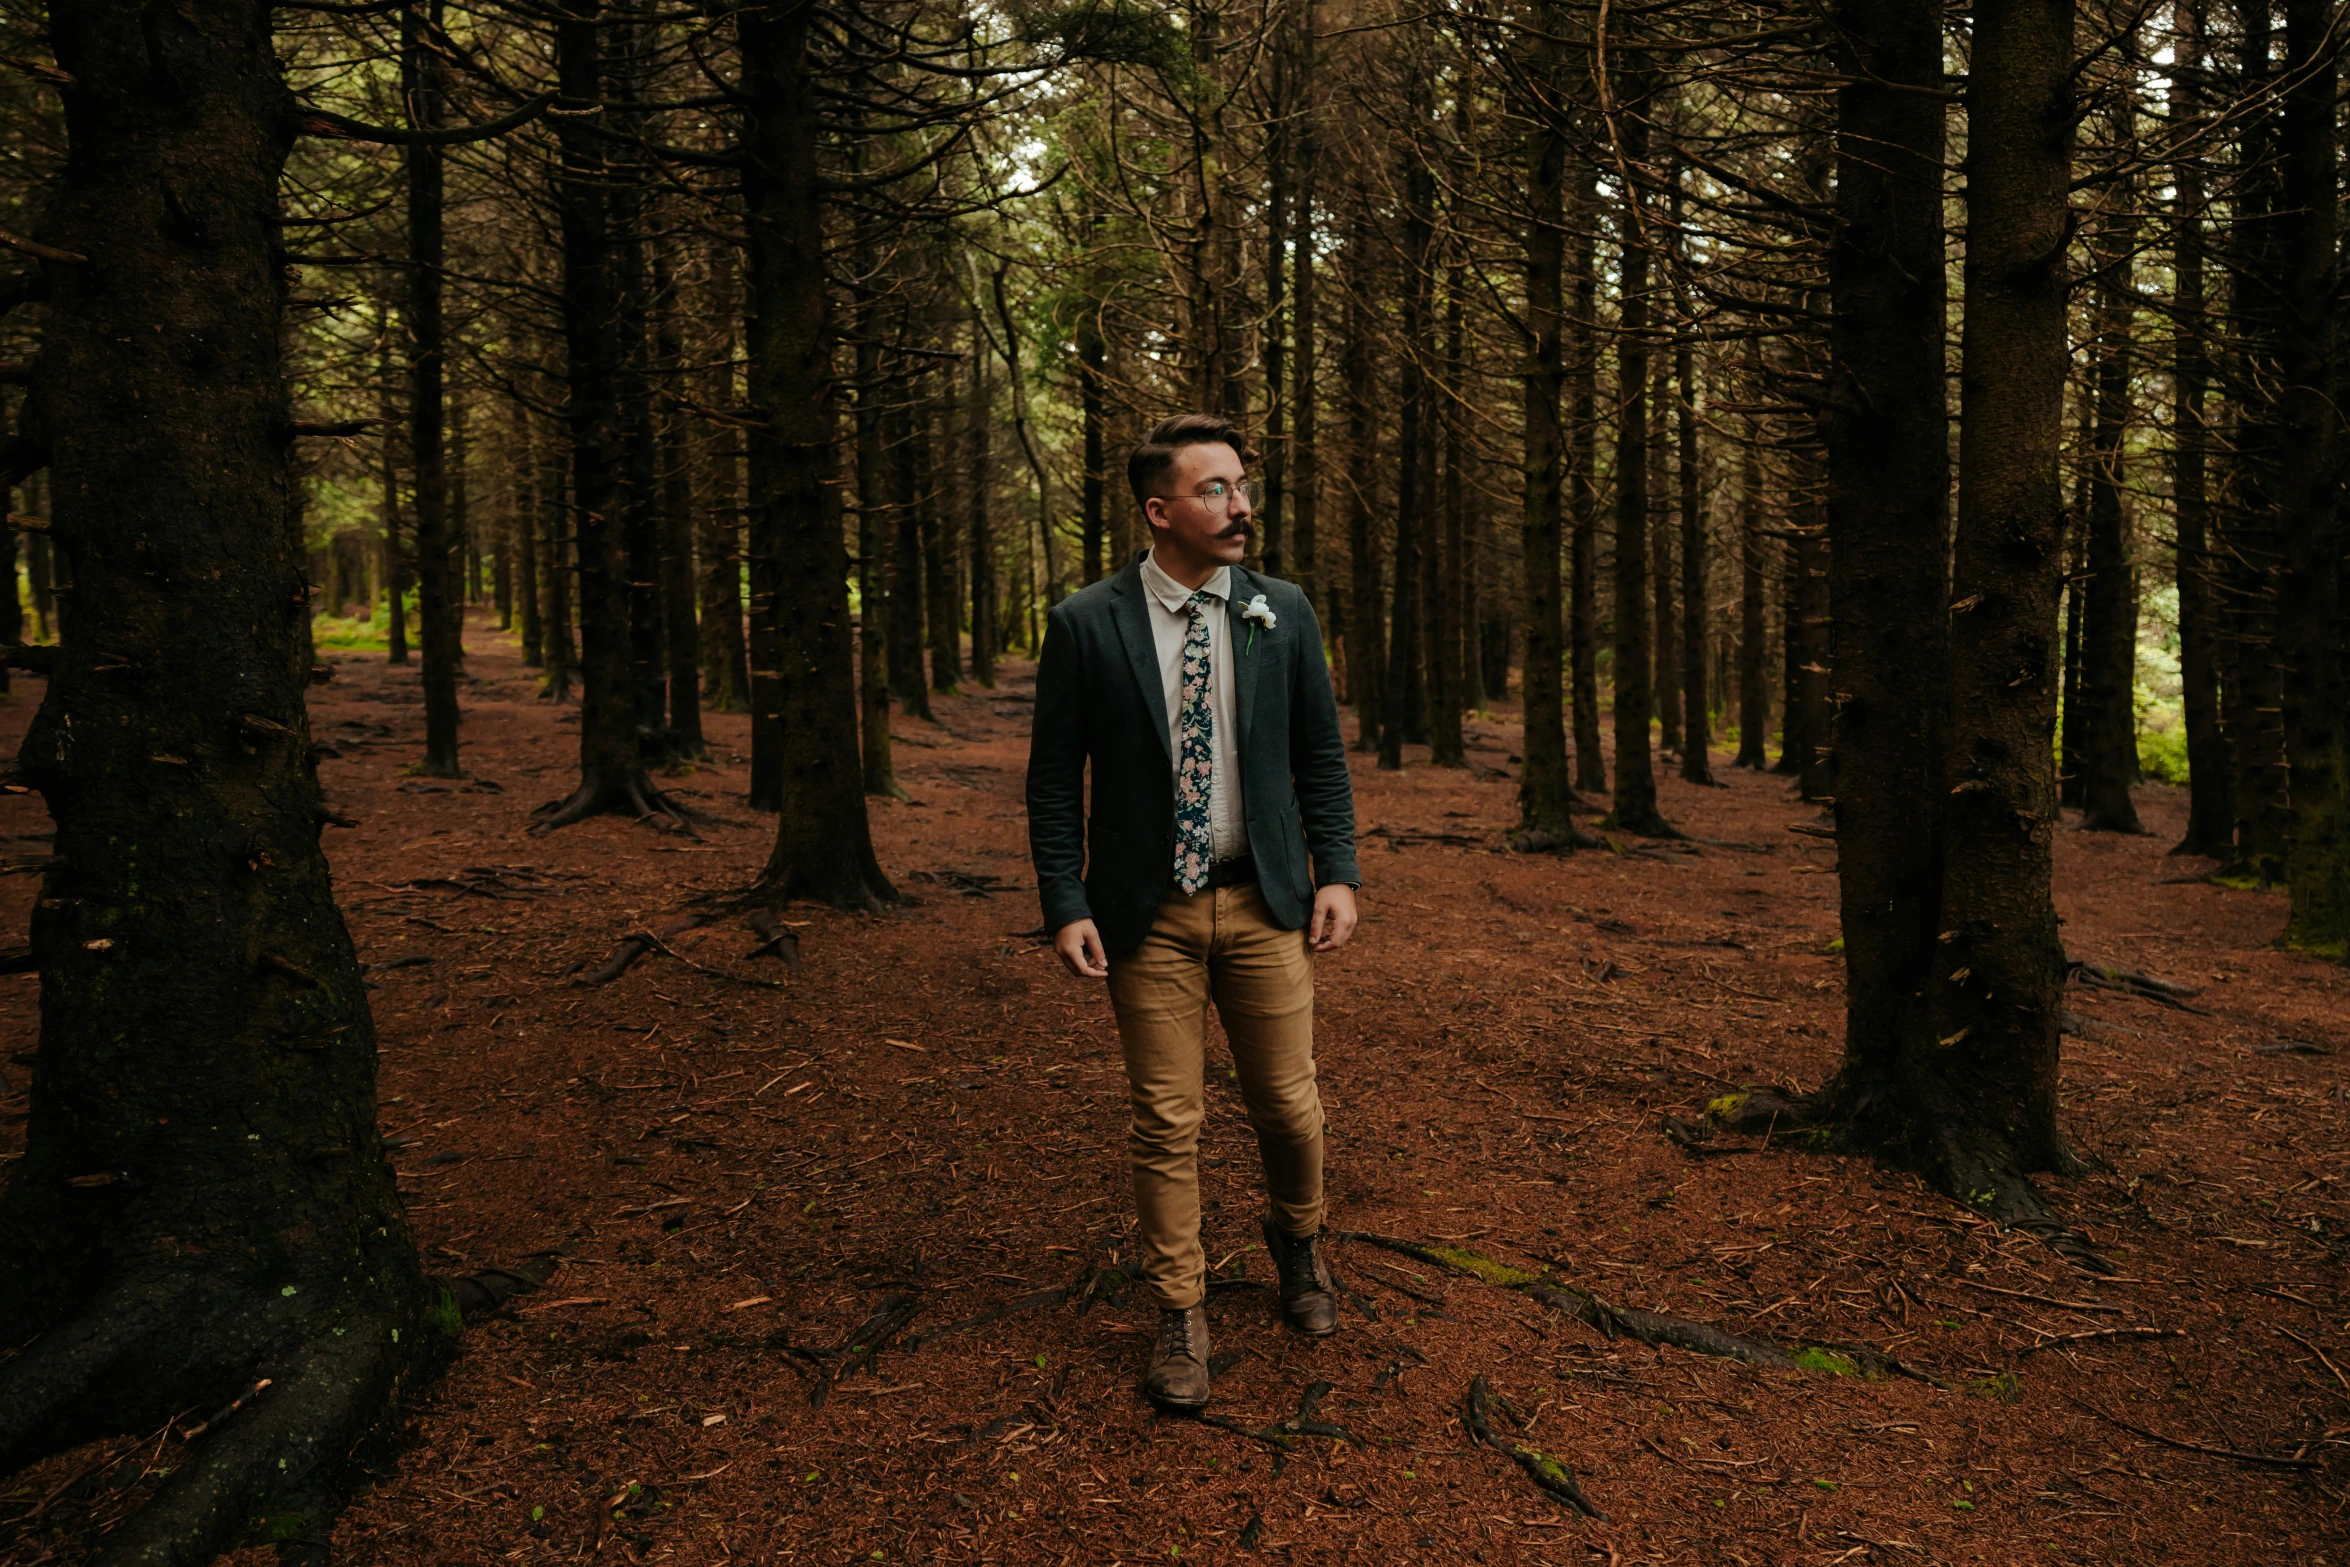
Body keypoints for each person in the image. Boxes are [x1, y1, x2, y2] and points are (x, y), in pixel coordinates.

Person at [1026, 412, 1360, 1412]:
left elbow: (1319, 758)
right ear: (1159, 509)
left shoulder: (1281, 611)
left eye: (1242, 488)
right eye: (1214, 490)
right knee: (1166, 1120)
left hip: (1264, 905)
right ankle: (1180, 1308)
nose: (1240, 506)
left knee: (1289, 1108)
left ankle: (1297, 1243)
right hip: (1148, 915)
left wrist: (1335, 870)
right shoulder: (1087, 622)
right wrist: (1064, 901)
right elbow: (1052, 784)